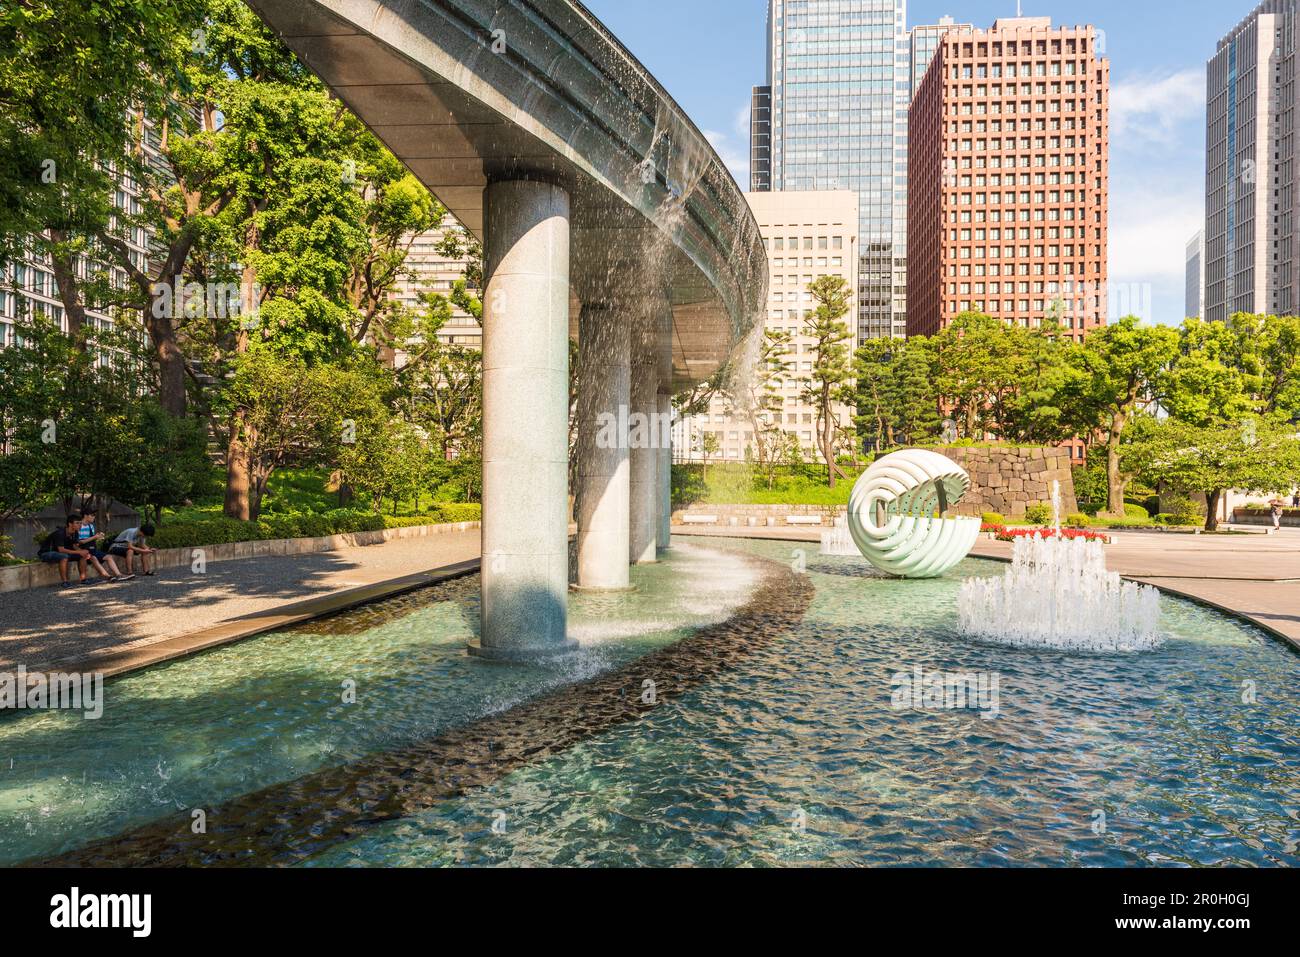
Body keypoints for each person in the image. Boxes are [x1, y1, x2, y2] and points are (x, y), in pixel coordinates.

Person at [75, 509, 133, 581]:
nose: (94, 517)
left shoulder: (91, 526)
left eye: (94, 515)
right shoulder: (78, 526)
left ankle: (119, 575)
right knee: (93, 558)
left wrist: (98, 537)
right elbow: (79, 542)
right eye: (92, 515)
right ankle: (108, 576)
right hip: (83, 550)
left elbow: (91, 539)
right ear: (85, 516)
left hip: (92, 549)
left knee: (108, 557)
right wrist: (94, 537)